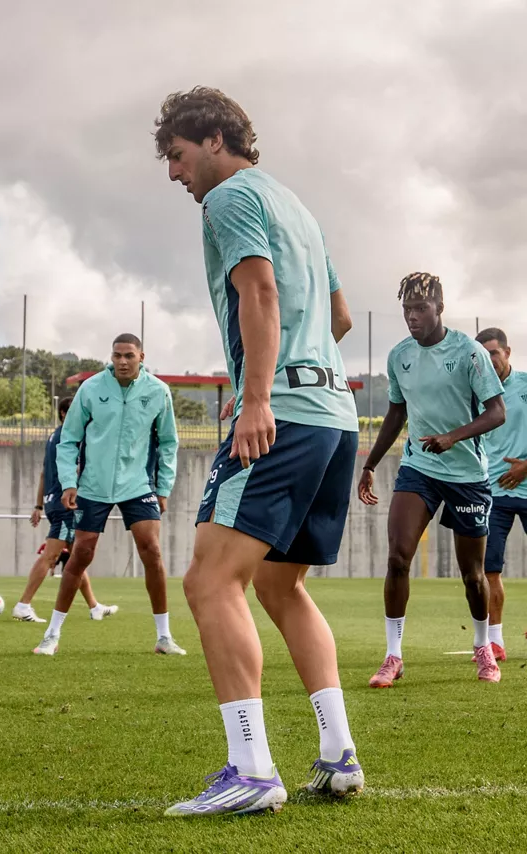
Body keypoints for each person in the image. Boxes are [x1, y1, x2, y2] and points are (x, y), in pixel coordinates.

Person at [155, 87, 363, 816]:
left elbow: (261, 293)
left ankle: (250, 770)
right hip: (337, 418)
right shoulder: (297, 207)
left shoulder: (231, 199)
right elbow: (336, 314)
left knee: (209, 583)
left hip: (286, 417)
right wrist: (306, 375)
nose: (175, 175)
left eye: (177, 157)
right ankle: (339, 754)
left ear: (214, 139)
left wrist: (257, 398)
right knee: (280, 585)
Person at [359, 274, 506, 688]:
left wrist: (452, 437)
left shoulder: (470, 353)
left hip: (467, 476)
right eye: (406, 309)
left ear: (439, 307)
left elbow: (497, 412)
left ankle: (482, 647)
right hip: (418, 469)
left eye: (420, 309)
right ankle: (392, 656)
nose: (412, 317)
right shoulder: (399, 356)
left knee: (473, 574)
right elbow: (395, 415)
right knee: (397, 557)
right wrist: (370, 464)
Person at [32, 334, 184, 656]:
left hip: (138, 485)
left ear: (142, 356)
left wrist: (163, 487)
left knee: (152, 551)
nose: (123, 361)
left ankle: (164, 637)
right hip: (93, 486)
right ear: (111, 357)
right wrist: (69, 482)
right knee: (81, 553)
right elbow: (69, 439)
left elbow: (169, 442)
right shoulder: (91, 389)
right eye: (117, 355)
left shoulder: (158, 391)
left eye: (129, 355)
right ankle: (52, 634)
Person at [10, 395, 104, 623]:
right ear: (63, 413)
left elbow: (44, 473)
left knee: (77, 555)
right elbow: (79, 468)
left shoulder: (54, 436)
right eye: (73, 410)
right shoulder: (70, 437)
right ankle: (23, 605)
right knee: (51, 555)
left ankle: (94, 606)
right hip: (65, 503)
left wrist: (38, 505)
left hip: (54, 501)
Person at [476, 327, 527, 657]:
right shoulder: (474, 391)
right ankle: (494, 640)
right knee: (489, 570)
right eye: (483, 354)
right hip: (491, 493)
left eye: (493, 353)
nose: (489, 360)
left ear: (507, 352)